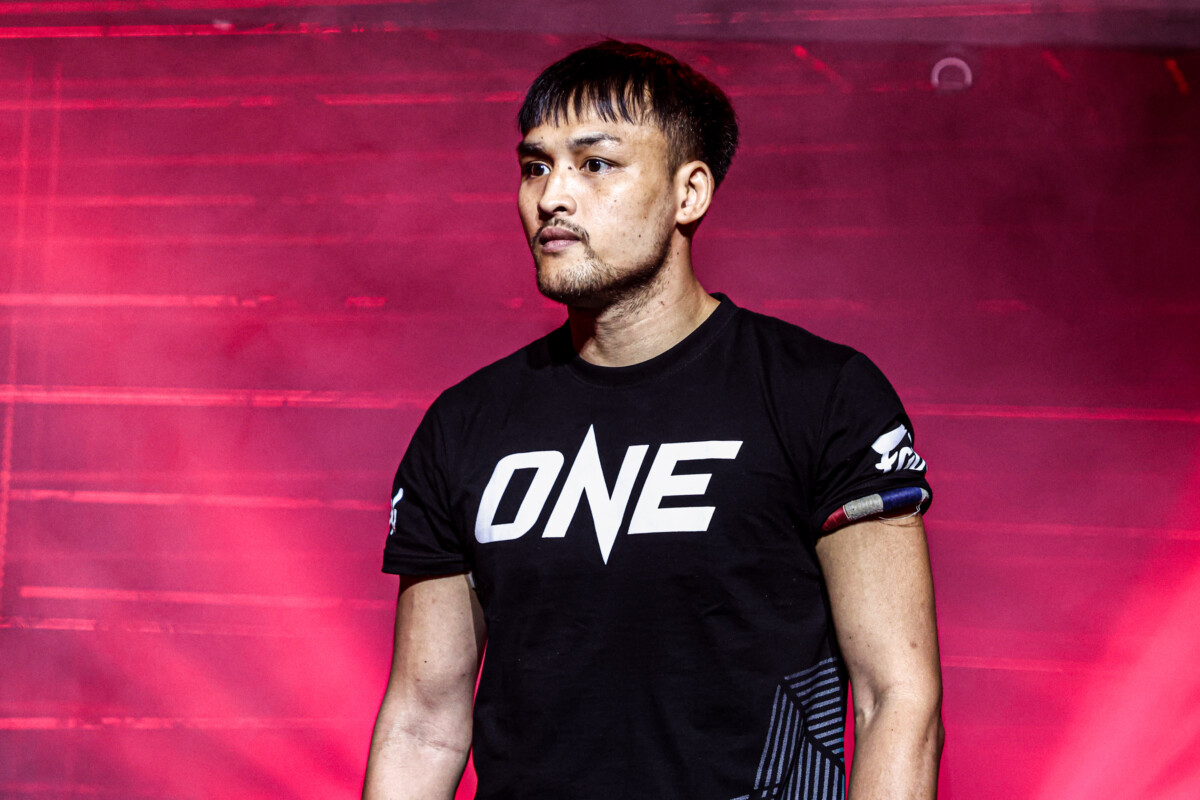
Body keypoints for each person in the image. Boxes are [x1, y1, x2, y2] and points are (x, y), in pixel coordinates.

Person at [363, 40, 944, 800]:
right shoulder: (463, 425)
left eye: (595, 163)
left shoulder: (822, 394)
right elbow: (423, 724)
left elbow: (896, 699)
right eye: (535, 166)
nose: (552, 197)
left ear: (689, 193)